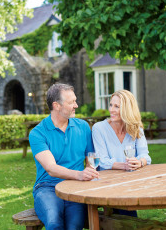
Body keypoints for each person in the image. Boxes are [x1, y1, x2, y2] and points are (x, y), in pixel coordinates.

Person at [29, 83, 99, 230]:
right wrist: (80, 174)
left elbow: (91, 158)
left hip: (75, 187)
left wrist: (90, 171)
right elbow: (51, 168)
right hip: (47, 188)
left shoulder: (83, 127)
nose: (76, 105)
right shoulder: (38, 133)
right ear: (57, 105)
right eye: (71, 102)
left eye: (75, 100)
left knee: (75, 226)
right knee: (54, 222)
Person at [92, 89, 151, 217]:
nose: (111, 110)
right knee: (124, 215)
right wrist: (125, 166)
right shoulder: (99, 128)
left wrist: (139, 162)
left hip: (130, 183)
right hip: (107, 183)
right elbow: (102, 160)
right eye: (111, 105)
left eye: (117, 106)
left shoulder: (136, 128)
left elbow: (146, 156)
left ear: (127, 109)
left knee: (125, 215)